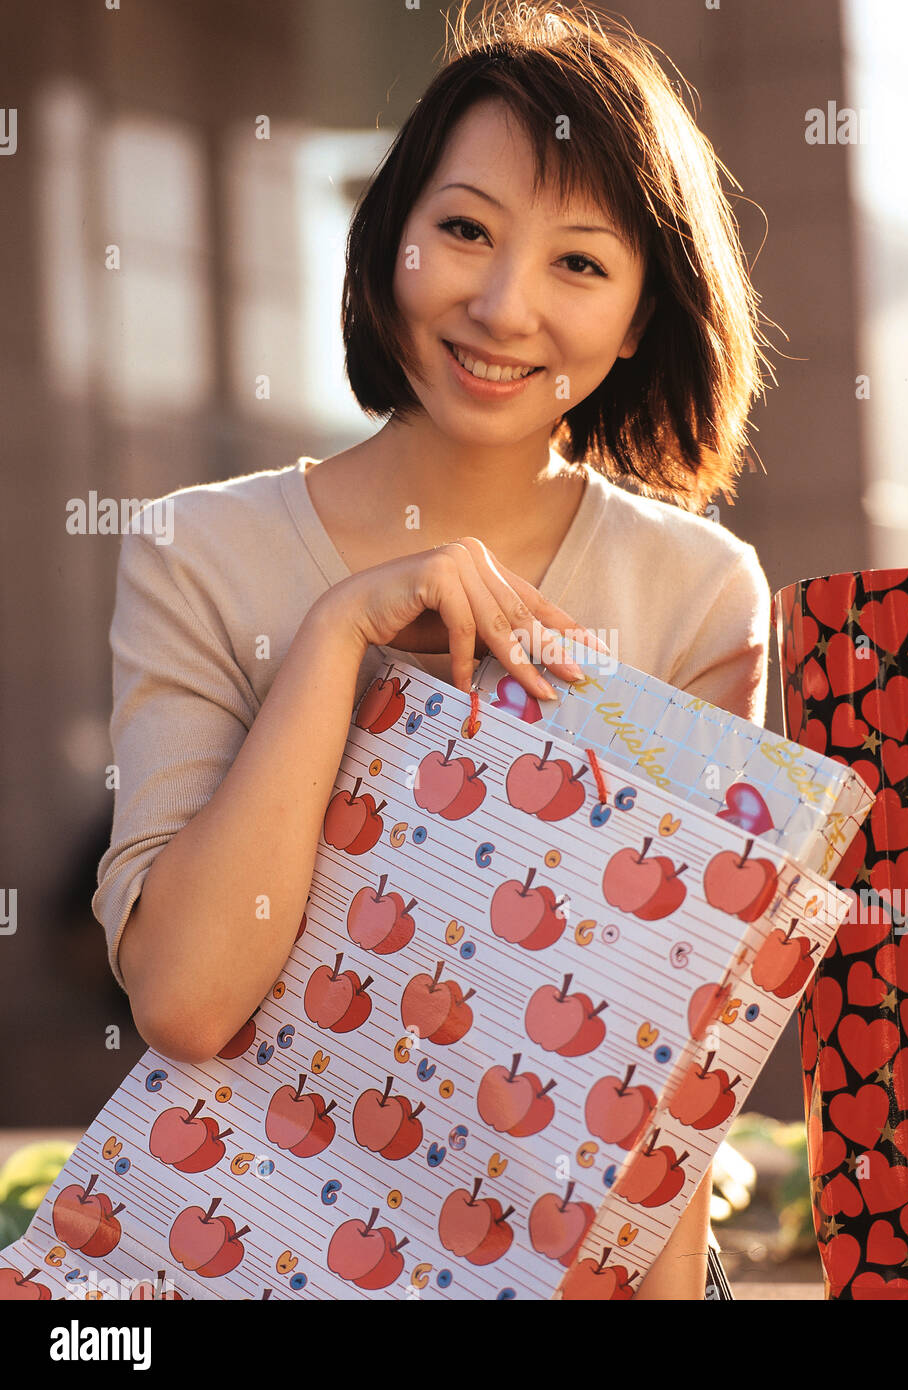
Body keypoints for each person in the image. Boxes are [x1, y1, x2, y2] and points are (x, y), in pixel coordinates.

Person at [93, 0, 776, 1300]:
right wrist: (338, 636)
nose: (505, 304)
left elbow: (665, 1062)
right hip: (258, 1251)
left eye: (580, 263)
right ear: (389, 241)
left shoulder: (698, 590)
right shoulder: (199, 551)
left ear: (639, 317)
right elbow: (185, 1000)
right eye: (464, 229)